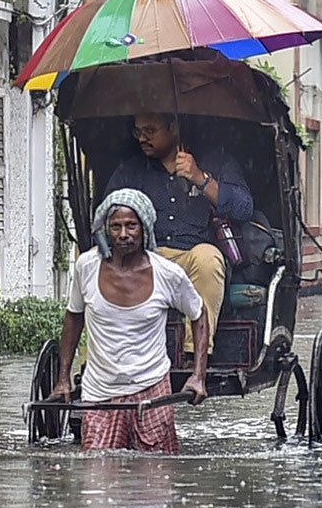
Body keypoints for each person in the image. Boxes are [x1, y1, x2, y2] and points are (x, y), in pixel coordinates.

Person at [49, 188, 209, 453]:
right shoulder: (86, 267)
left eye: (131, 226)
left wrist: (198, 375)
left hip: (152, 390)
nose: (124, 235)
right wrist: (63, 378)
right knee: (98, 484)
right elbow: (74, 317)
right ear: (106, 230)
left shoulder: (168, 274)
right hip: (99, 392)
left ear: (145, 228)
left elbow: (199, 314)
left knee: (155, 483)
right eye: (116, 227)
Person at [105, 112, 254, 354]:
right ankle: (114, 355)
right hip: (147, 257)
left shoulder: (216, 161)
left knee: (208, 258)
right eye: (138, 132)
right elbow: (106, 216)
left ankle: (195, 355)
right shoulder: (130, 172)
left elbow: (244, 208)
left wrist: (200, 178)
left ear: (172, 127)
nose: (142, 138)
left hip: (195, 257)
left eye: (150, 131)